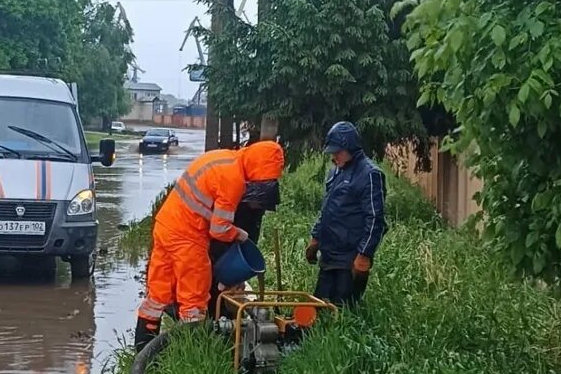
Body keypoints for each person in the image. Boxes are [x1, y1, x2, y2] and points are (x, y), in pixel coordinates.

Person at [135, 140, 286, 347]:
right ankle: (193, 354)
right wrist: (240, 234)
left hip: (165, 226)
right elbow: (219, 230)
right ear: (259, 172)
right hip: (187, 237)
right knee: (194, 302)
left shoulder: (224, 158)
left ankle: (143, 351)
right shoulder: (234, 180)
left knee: (157, 296)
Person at [306, 121, 387, 307]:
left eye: (337, 152)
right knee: (318, 309)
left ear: (350, 147)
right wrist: (315, 239)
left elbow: (375, 219)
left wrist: (364, 255)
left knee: (343, 311)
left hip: (349, 257)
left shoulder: (370, 174)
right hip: (329, 254)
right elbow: (327, 209)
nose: (334, 157)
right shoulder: (335, 172)